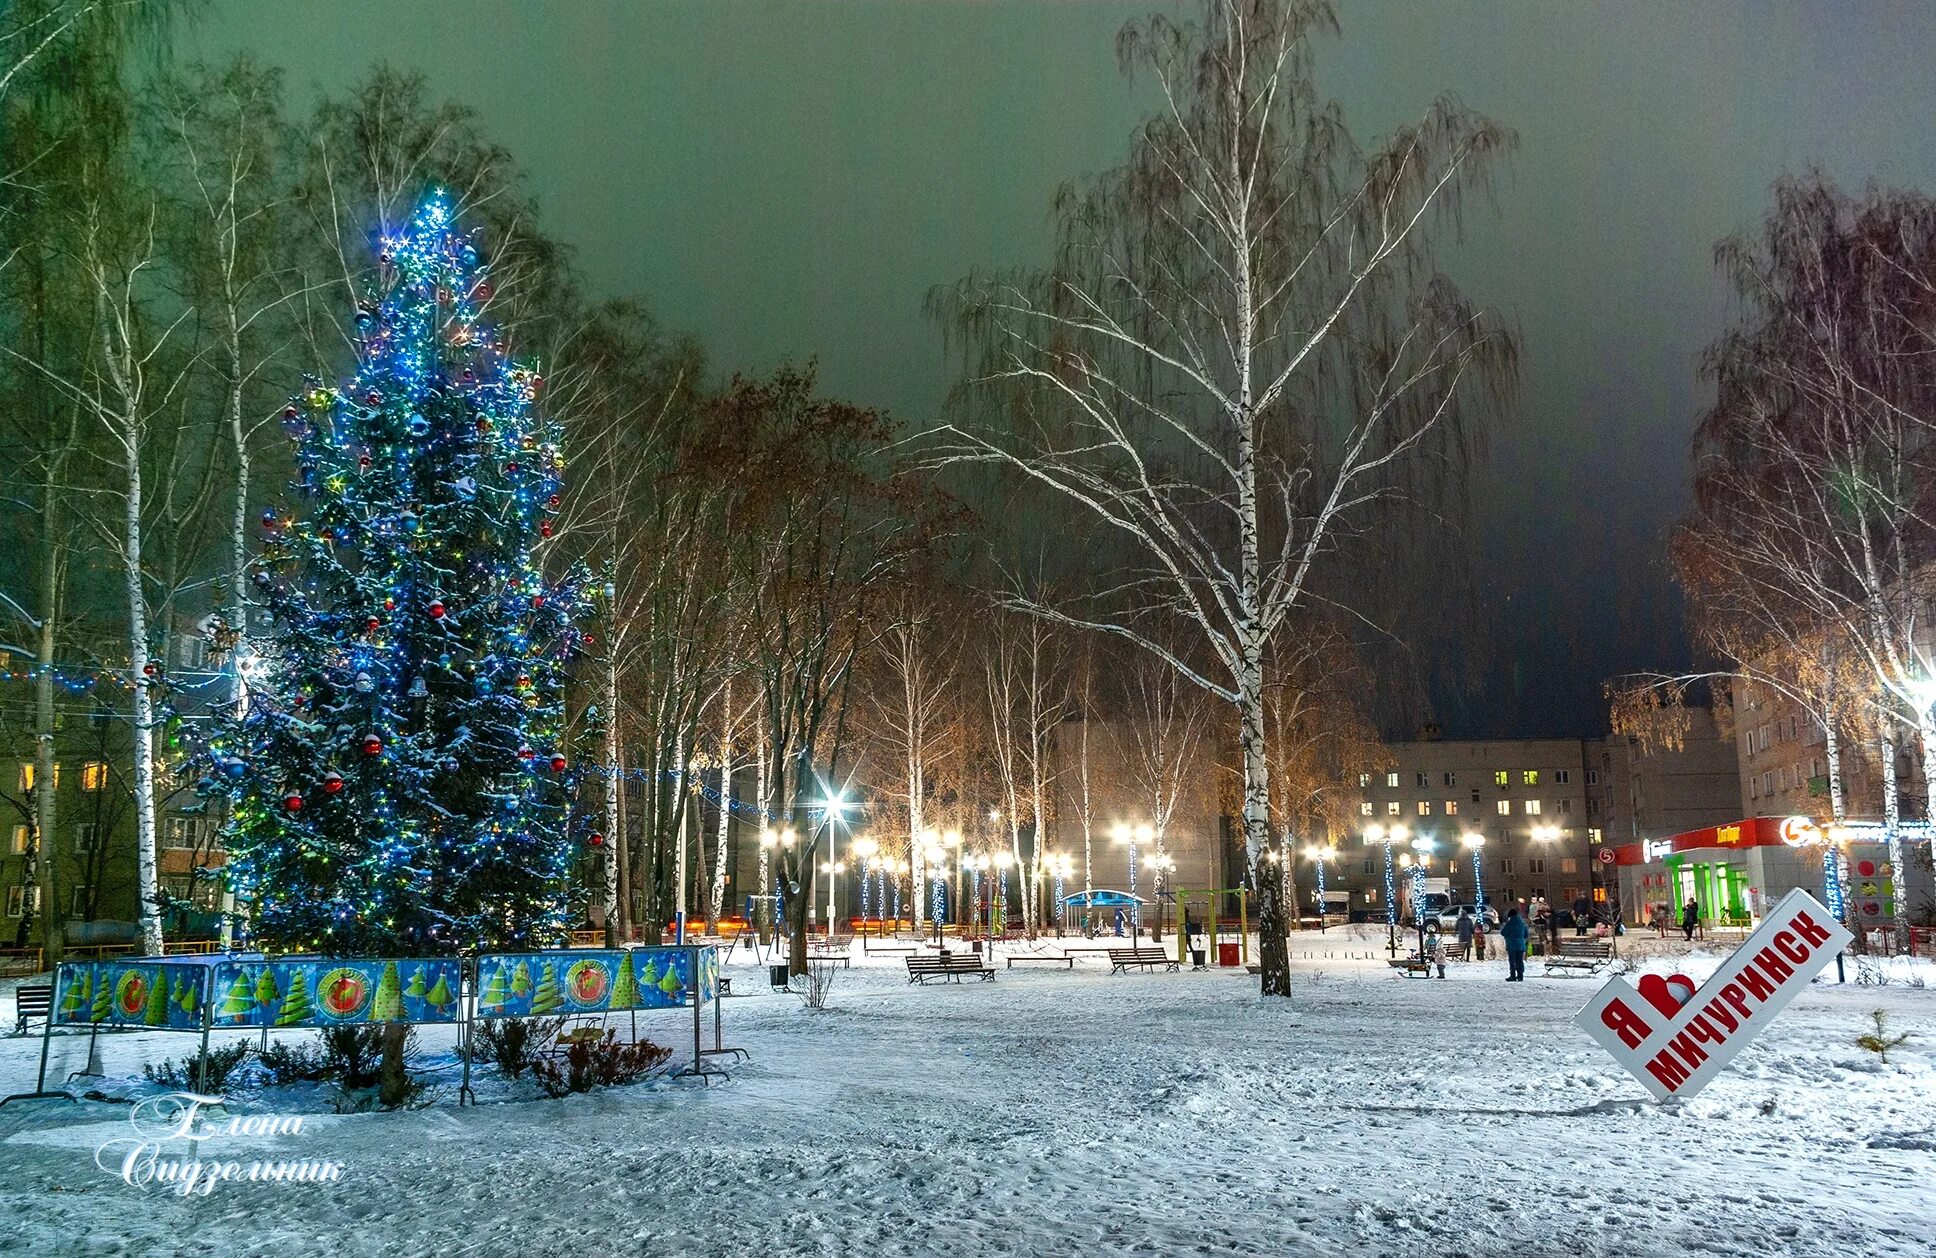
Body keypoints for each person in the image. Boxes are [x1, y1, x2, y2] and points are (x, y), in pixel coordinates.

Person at [1502, 907, 1529, 981]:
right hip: (1521, 945)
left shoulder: (1510, 923)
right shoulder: (1522, 922)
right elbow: (1526, 934)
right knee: (1520, 961)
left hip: (1511, 945)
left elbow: (1503, 932)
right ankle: (1520, 975)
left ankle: (1513, 975)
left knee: (1512, 961)